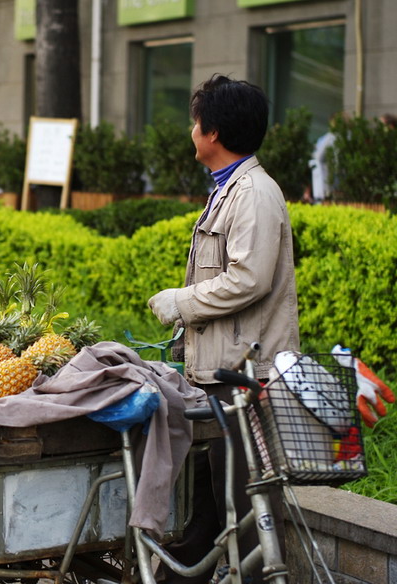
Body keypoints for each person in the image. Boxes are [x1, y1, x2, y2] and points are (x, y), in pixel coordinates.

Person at [147, 74, 300, 583]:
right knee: (208, 509)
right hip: (218, 377)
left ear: (213, 132)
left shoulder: (254, 193)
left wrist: (181, 302)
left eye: (195, 123)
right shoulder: (227, 190)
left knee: (247, 511)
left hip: (246, 379)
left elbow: (249, 279)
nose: (191, 132)